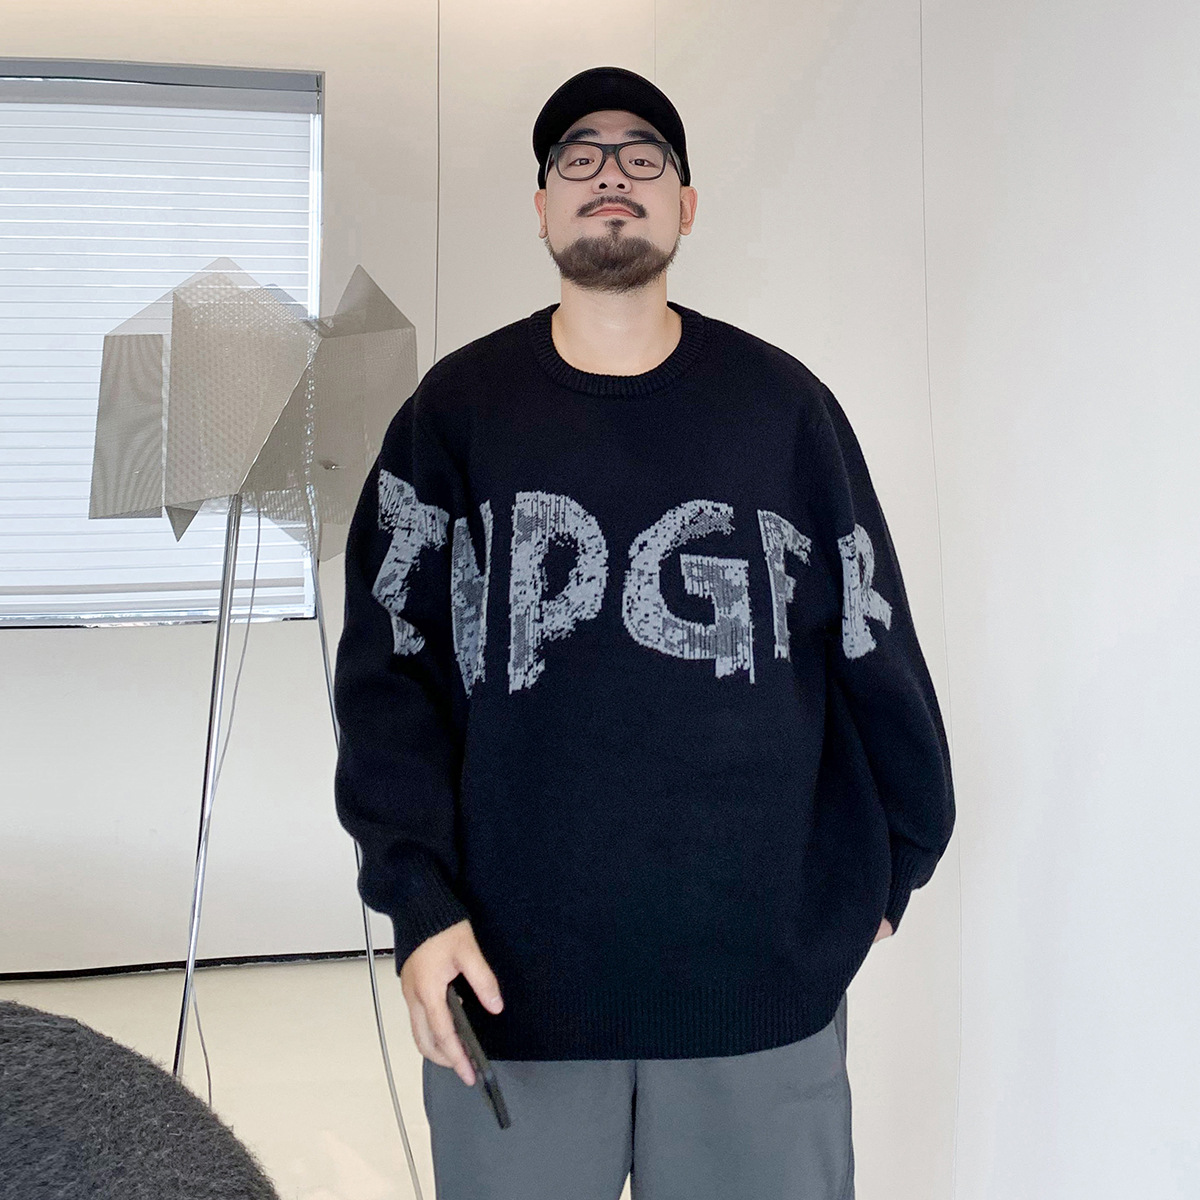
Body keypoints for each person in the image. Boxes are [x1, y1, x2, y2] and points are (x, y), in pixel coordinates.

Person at [332, 64, 954, 1200]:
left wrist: (896, 856)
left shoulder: (783, 409)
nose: (610, 174)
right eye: (579, 156)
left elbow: (871, 638)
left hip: (758, 988)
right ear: (541, 206)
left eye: (642, 156)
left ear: (685, 203)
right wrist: (416, 901)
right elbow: (388, 680)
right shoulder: (454, 415)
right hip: (507, 985)